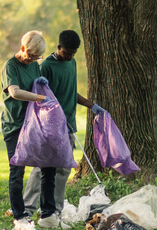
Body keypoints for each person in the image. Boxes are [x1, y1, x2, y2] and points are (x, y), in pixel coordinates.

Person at [23, 30, 105, 218]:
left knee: (63, 168)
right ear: (59, 47)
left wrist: (92, 106)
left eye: (73, 54)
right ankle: (27, 208)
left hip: (69, 125)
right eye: (67, 53)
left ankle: (56, 210)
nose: (69, 57)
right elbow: (41, 99)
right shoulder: (46, 67)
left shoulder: (72, 63)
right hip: (50, 126)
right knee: (42, 167)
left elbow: (71, 93)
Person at [1, 31, 58, 230]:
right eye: (32, 55)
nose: (34, 60)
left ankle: (49, 213)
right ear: (23, 47)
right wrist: (39, 98)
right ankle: (19, 215)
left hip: (34, 124)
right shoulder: (10, 66)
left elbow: (38, 86)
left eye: (37, 58)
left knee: (49, 164)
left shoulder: (34, 65)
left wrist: (43, 88)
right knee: (17, 171)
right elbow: (15, 92)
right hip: (15, 125)